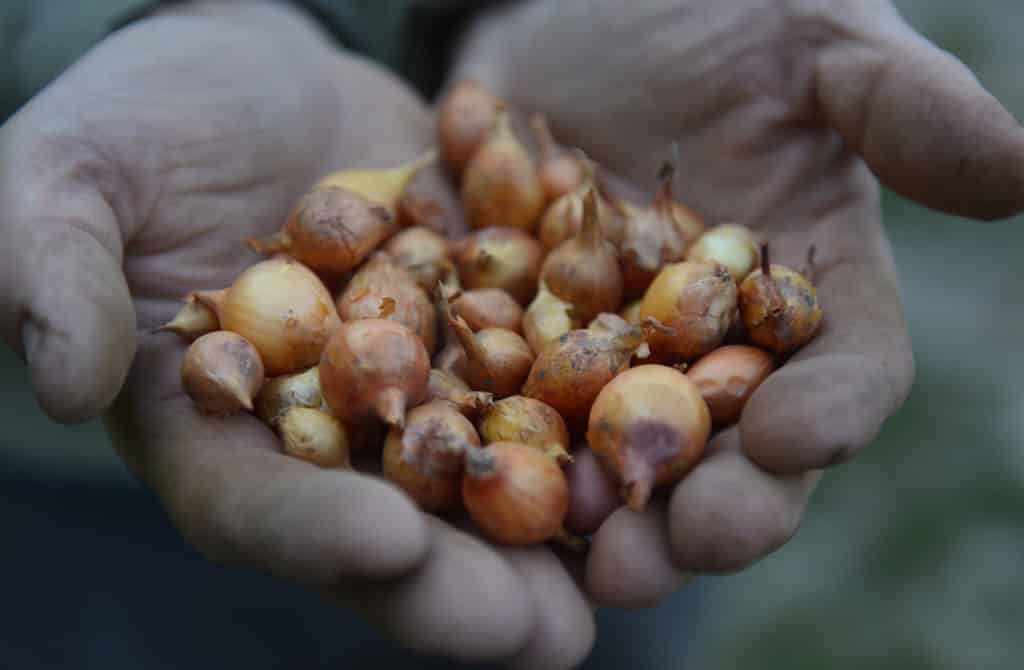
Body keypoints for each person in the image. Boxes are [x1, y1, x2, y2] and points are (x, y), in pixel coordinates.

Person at [1, 1, 1021, 667]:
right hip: (66, 488)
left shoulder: (552, 315)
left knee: (608, 571)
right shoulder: (433, 317)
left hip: (587, 515)